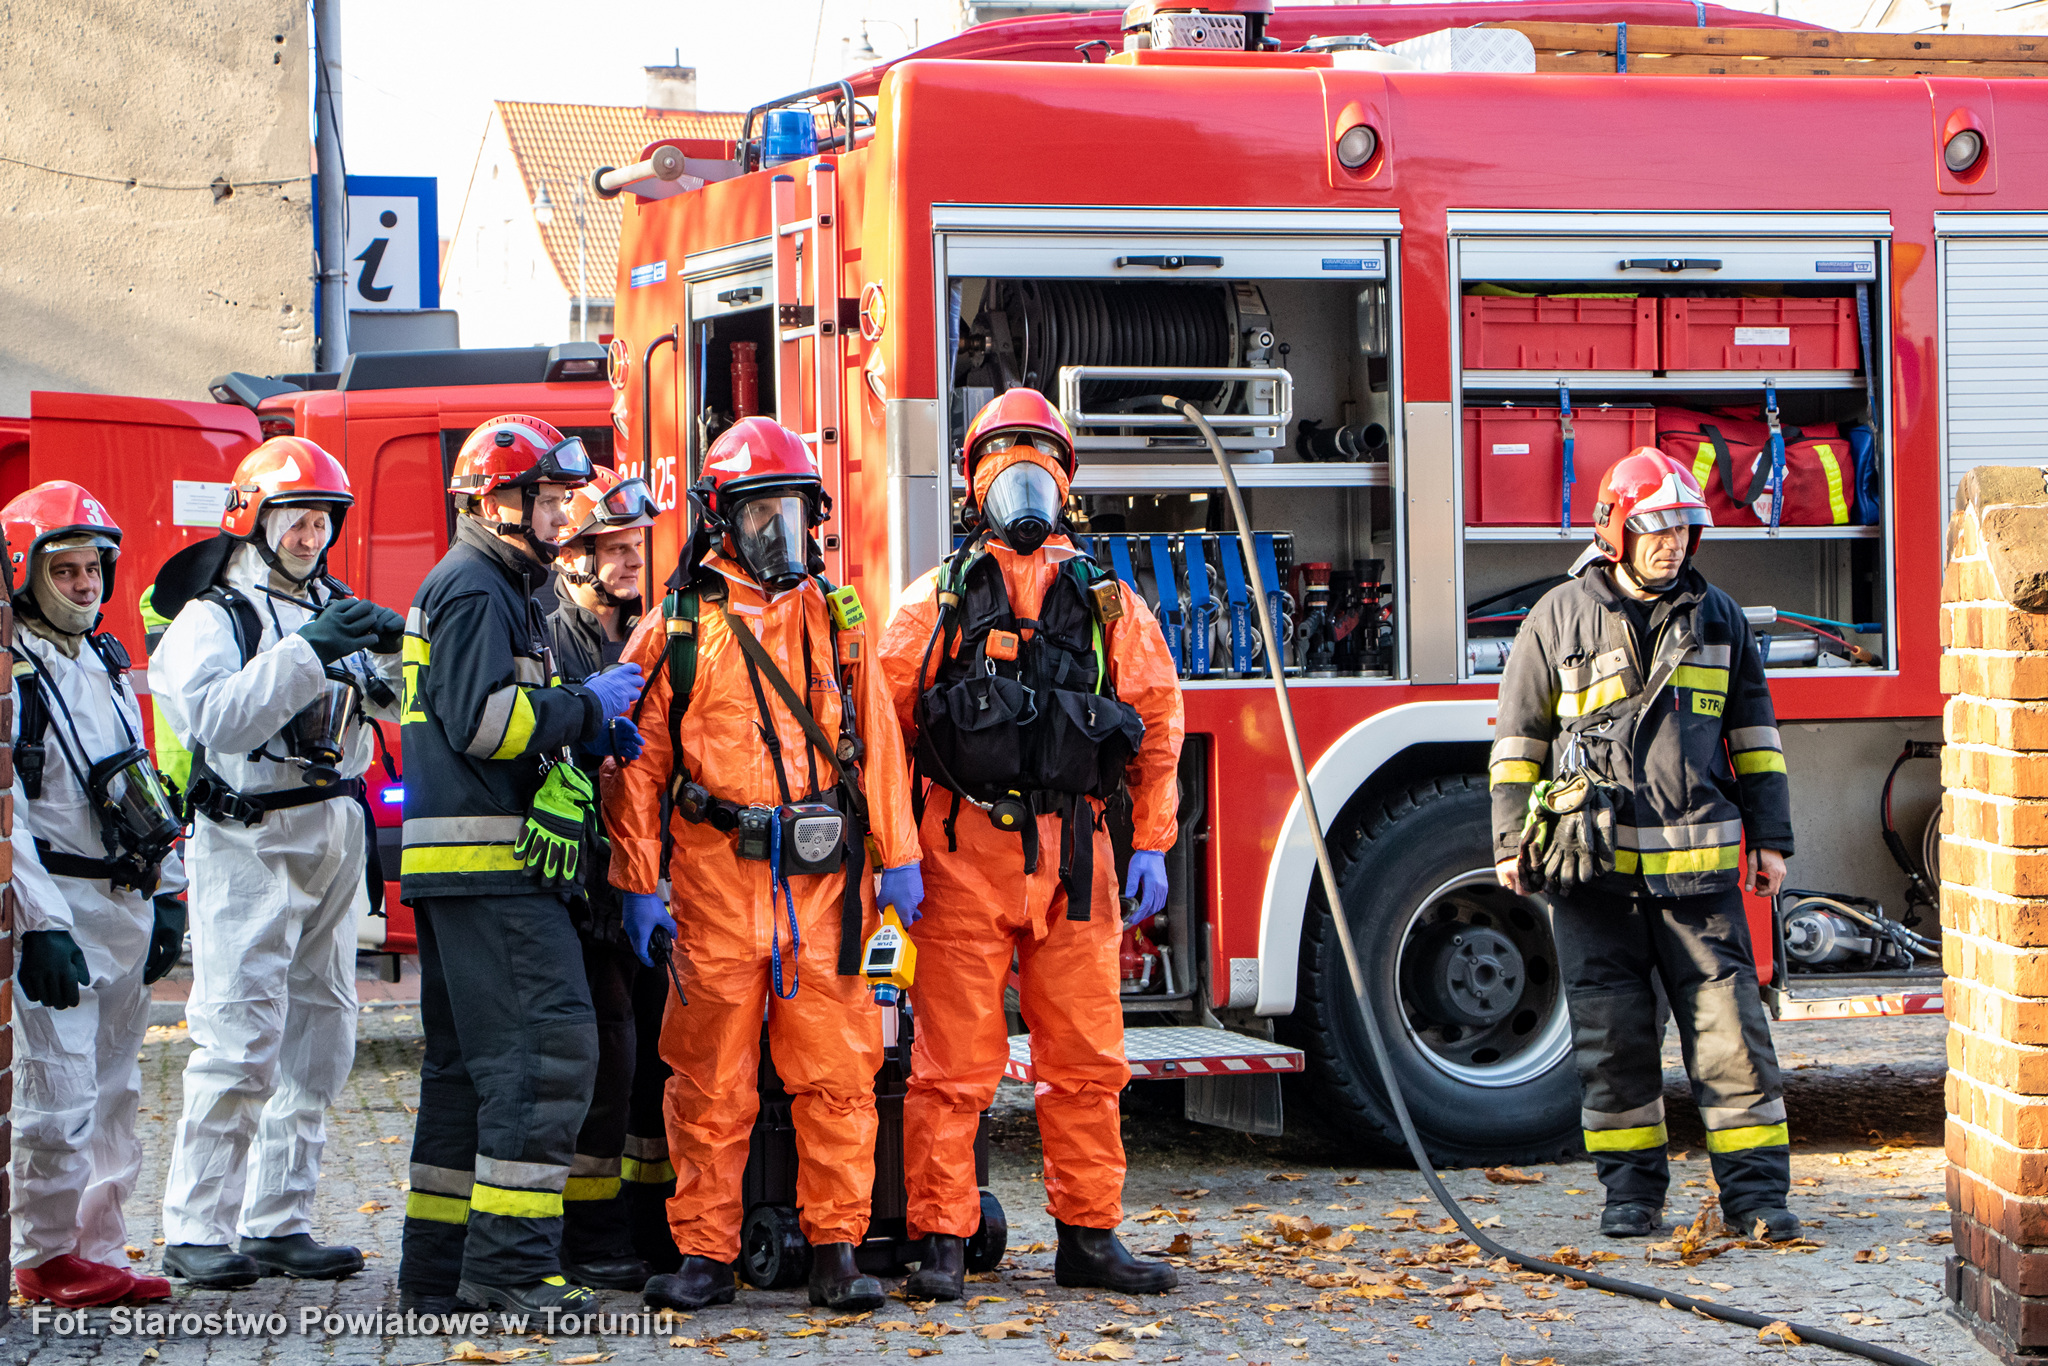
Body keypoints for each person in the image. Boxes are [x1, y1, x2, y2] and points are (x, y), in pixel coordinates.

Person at [604, 416, 921, 1314]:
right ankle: (705, 1255)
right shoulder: (677, 629)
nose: (779, 532)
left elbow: (881, 750)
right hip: (714, 884)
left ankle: (836, 1252)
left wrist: (899, 859)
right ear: (721, 518)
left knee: (840, 1073)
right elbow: (636, 764)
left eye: (792, 511)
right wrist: (637, 883)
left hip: (827, 893)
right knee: (709, 1082)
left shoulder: (839, 621)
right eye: (761, 513)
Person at [876, 389, 1184, 1301]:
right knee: (950, 1065)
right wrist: (896, 852)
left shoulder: (1109, 605)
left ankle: (1089, 1237)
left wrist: (1152, 841)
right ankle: (941, 1237)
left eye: (1040, 457)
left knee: (1087, 1062)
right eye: (1005, 457)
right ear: (974, 481)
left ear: (1065, 479)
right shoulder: (931, 604)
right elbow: (882, 733)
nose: (1024, 476)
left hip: (1076, 861)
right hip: (962, 851)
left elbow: (1159, 725)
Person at [1488, 449, 1798, 1241]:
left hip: (1699, 886)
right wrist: (1508, 841)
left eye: (1686, 528)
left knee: (1732, 1041)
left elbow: (1755, 739)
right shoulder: (1557, 618)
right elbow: (1518, 744)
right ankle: (1631, 1198)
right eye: (1657, 526)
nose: (1674, 542)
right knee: (1614, 1043)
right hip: (1592, 881)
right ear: (1616, 530)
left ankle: (1758, 1201)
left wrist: (1770, 837)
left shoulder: (1718, 617)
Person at [395, 416, 645, 1316]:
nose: (556, 516)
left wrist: (583, 727)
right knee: (548, 1054)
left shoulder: (493, 586)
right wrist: (585, 705)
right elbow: (486, 723)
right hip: (492, 868)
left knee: (468, 1070)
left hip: (474, 867)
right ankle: (506, 1275)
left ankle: (439, 1270)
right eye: (543, 500)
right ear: (493, 502)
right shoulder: (476, 588)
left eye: (555, 499)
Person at [151, 437, 404, 1288]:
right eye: (294, 515)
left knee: (322, 1035)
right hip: (251, 838)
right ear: (251, 519)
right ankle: (195, 1226)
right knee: (239, 1035)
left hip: (333, 828)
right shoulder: (212, 617)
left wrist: (394, 656)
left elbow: (392, 706)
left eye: (324, 518)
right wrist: (311, 651)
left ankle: (278, 1219)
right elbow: (217, 721)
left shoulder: (329, 602)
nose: (309, 533)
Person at [5, 482, 183, 1307]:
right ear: (25, 574)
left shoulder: (103, 659)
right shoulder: (17, 670)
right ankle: (43, 1256)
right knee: (59, 1091)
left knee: (116, 1089)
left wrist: (170, 893)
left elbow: (140, 774)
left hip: (123, 900)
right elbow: (10, 813)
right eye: (64, 571)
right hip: (63, 907)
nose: (83, 587)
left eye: (93, 571)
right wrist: (38, 923)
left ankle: (97, 1247)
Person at [539, 467, 679, 1286]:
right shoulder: (555, 635)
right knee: (606, 1058)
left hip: (645, 877)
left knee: (655, 1058)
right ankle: (588, 1237)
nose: (632, 562)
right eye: (615, 549)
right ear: (574, 555)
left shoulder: (641, 634)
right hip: (585, 882)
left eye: (637, 547)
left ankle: (648, 1225)